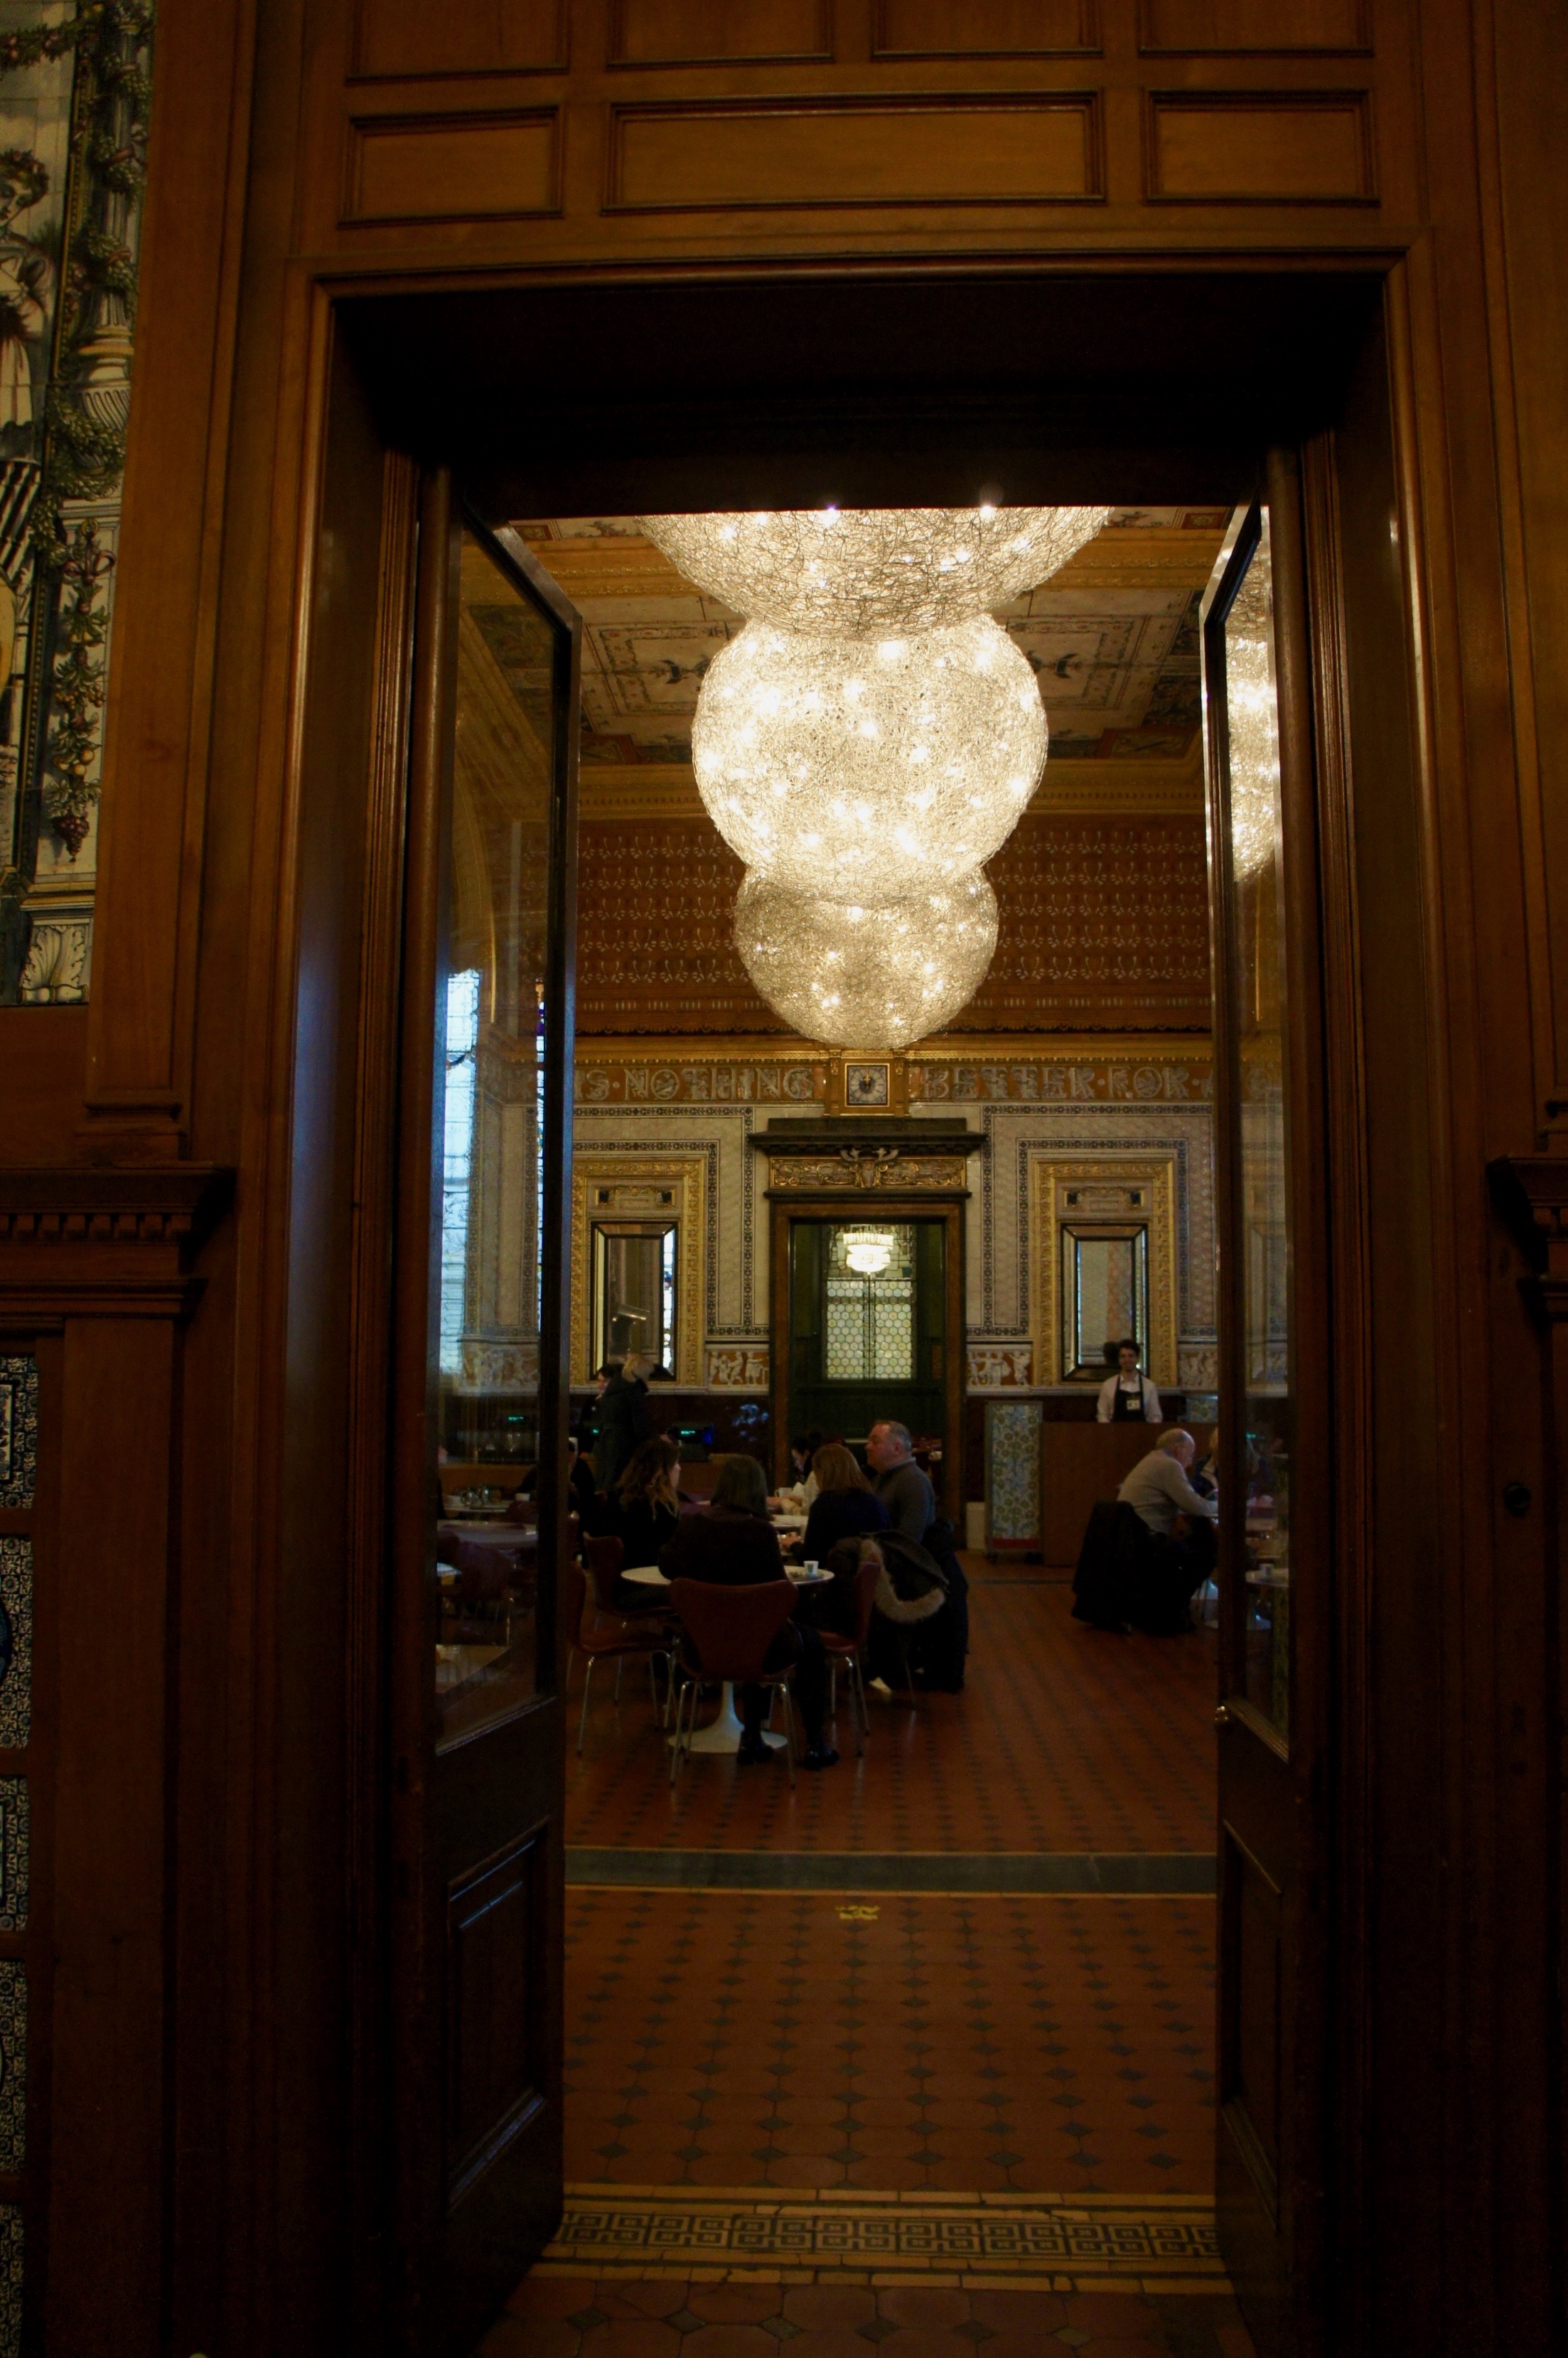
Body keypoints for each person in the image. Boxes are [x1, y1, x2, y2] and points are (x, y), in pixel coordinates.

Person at [658, 1453, 836, 1769]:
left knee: (756, 1627)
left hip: (699, 1646)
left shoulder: (693, 1526)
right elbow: (778, 1597)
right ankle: (813, 1742)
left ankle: (753, 1735)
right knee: (805, 1641)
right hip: (761, 1648)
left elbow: (668, 1567)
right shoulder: (761, 1533)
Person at [602, 1437, 682, 1605]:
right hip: (640, 1590)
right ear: (660, 1471)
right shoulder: (660, 1510)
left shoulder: (616, 1498)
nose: (679, 1468)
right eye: (675, 1463)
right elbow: (670, 1559)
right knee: (697, 1593)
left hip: (617, 1588)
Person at [797, 1442, 889, 1564]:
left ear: (822, 1473)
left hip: (836, 1577)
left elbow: (811, 1557)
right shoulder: (874, 1501)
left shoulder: (824, 1504)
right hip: (874, 1577)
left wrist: (794, 1545)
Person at [865, 1420, 935, 1543]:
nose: (868, 1447)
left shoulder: (914, 1482)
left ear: (897, 1448)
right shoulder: (883, 1476)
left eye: (875, 1442)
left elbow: (908, 1541)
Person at [590, 1357, 647, 1501]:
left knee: (606, 1491)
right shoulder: (633, 1390)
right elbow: (639, 1426)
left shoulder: (611, 1393)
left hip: (606, 1447)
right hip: (625, 1450)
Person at [1097, 1339, 1162, 1423]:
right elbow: (1102, 1415)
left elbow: (1155, 1416)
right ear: (1119, 1359)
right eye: (1123, 1356)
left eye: (1131, 1356)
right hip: (1114, 1434)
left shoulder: (1149, 1386)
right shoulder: (1108, 1385)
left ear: (1137, 1358)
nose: (1127, 1360)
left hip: (1142, 1434)